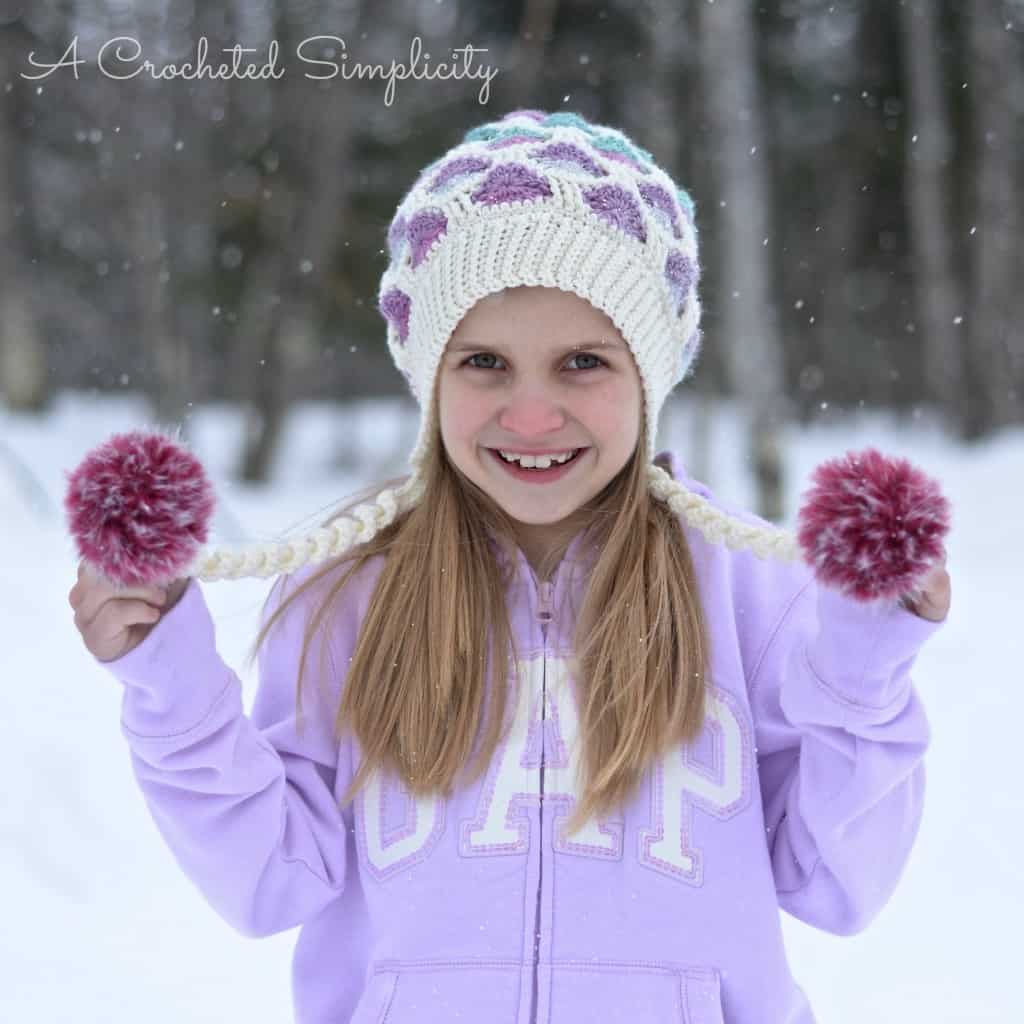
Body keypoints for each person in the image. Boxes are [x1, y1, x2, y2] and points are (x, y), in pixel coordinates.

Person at [69, 110, 950, 1024]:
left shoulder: (754, 591)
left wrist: (863, 674)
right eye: (484, 362)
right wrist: (169, 688)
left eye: (582, 363)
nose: (531, 418)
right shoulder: (342, 592)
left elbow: (840, 884)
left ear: (649, 376)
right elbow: (269, 881)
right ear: (428, 376)